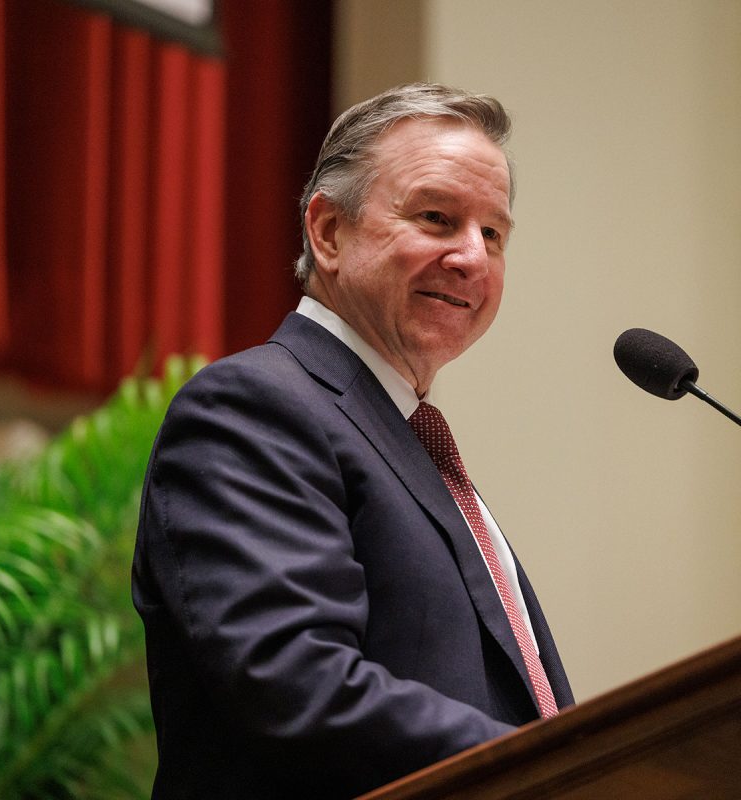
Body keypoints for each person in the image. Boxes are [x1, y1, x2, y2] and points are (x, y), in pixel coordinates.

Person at [131, 83, 573, 799]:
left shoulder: (404, 437)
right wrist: (562, 765)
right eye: (438, 218)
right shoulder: (255, 408)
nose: (473, 258)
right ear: (329, 233)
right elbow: (295, 679)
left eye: (493, 234)